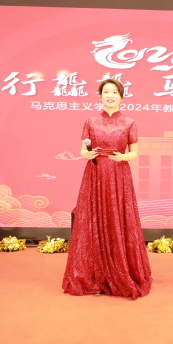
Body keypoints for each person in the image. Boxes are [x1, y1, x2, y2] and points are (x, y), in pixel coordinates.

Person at [62, 78, 153, 299]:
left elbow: (134, 153)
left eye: (114, 92)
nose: (110, 95)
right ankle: (93, 276)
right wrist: (87, 154)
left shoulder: (129, 122)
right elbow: (82, 150)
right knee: (93, 219)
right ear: (100, 96)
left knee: (118, 218)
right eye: (106, 92)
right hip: (95, 174)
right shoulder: (90, 121)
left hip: (119, 174)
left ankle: (120, 272)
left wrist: (124, 157)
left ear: (121, 96)